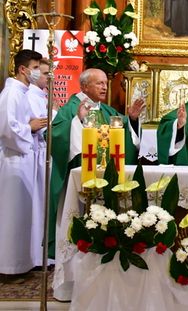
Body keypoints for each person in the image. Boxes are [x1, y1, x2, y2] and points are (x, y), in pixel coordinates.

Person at [48, 68, 145, 258]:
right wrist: (79, 120)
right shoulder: (71, 108)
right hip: (81, 180)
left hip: (107, 179)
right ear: (84, 86)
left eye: (105, 83)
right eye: (99, 83)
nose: (104, 87)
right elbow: (54, 137)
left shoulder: (107, 111)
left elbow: (124, 136)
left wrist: (132, 120)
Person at [0, 49, 48, 278]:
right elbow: (8, 128)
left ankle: (20, 263)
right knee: (12, 215)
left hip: (24, 158)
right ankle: (7, 266)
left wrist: (32, 124)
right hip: (13, 160)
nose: (38, 72)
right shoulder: (11, 93)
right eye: (36, 67)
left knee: (22, 216)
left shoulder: (23, 91)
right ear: (23, 69)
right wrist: (30, 127)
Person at [26, 58, 51, 267]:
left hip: (44, 154)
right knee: (37, 205)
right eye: (43, 73)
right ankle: (35, 255)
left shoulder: (42, 95)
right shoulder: (31, 96)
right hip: (37, 154)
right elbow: (40, 126)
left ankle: (40, 253)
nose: (47, 77)